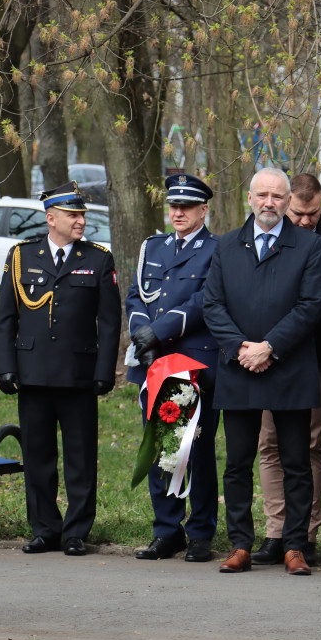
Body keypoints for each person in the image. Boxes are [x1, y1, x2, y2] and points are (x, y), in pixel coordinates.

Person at [203, 167, 321, 575]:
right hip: (239, 366)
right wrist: (242, 348)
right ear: (250, 198)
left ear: (288, 200)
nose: (269, 203)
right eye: (262, 195)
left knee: (296, 462)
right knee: (237, 463)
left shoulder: (310, 246)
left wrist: (270, 347)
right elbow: (212, 304)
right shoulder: (226, 245)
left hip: (288, 368)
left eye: (277, 196)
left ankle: (295, 546)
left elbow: (311, 306)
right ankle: (240, 544)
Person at [0, 181, 121, 557]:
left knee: (80, 457)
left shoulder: (98, 258)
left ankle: (77, 532)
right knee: (38, 456)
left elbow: (109, 323)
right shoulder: (21, 256)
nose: (80, 221)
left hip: (78, 374)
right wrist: (6, 368)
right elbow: (5, 318)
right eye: (72, 215)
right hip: (32, 372)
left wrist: (104, 371)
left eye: (81, 215)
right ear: (51, 218)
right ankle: (45, 529)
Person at [251, 173, 321, 567]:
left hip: (314, 359)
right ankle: (276, 531)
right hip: (267, 360)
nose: (306, 220)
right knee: (269, 445)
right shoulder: (268, 235)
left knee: (309, 446)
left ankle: (305, 533)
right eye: (299, 213)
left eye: (313, 213)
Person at [125, 174, 220, 563]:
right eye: (174, 206)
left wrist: (157, 333)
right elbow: (136, 295)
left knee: (195, 449)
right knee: (161, 445)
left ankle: (200, 532)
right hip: (154, 362)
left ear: (203, 210)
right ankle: (167, 530)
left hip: (194, 362)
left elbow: (204, 300)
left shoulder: (216, 249)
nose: (178, 212)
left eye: (187, 206)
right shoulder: (153, 247)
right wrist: (141, 337)